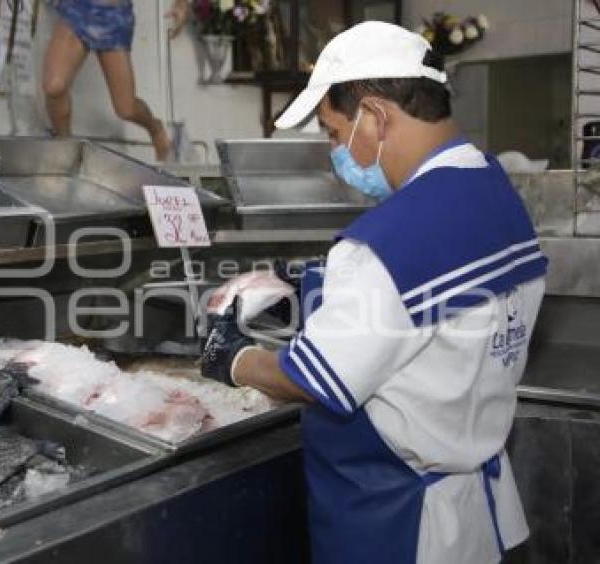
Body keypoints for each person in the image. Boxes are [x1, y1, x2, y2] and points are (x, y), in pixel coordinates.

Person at [201, 21, 547, 564]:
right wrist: (318, 277)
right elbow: (436, 294)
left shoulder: (382, 244)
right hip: (479, 515)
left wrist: (232, 359)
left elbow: (312, 380)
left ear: (377, 116)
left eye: (334, 133)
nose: (336, 153)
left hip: (401, 528)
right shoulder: (491, 186)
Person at [42, 0, 188, 161]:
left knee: (126, 109)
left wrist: (181, 4)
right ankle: (65, 146)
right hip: (76, 8)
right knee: (54, 86)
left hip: (114, 16)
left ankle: (156, 129)